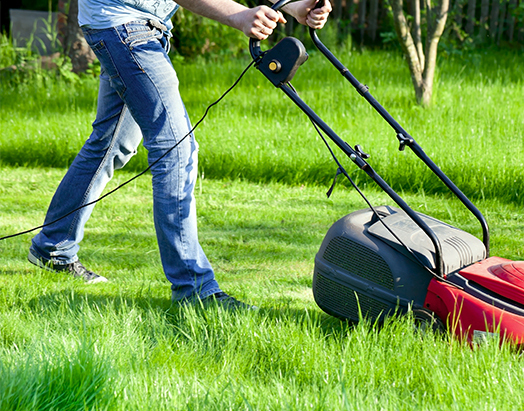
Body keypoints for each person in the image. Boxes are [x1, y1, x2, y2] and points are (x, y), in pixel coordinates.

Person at [28, 0, 332, 308]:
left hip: (142, 25)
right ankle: (194, 289)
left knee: (112, 144)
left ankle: (53, 246)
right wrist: (240, 16)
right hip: (122, 23)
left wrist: (295, 5)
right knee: (175, 148)